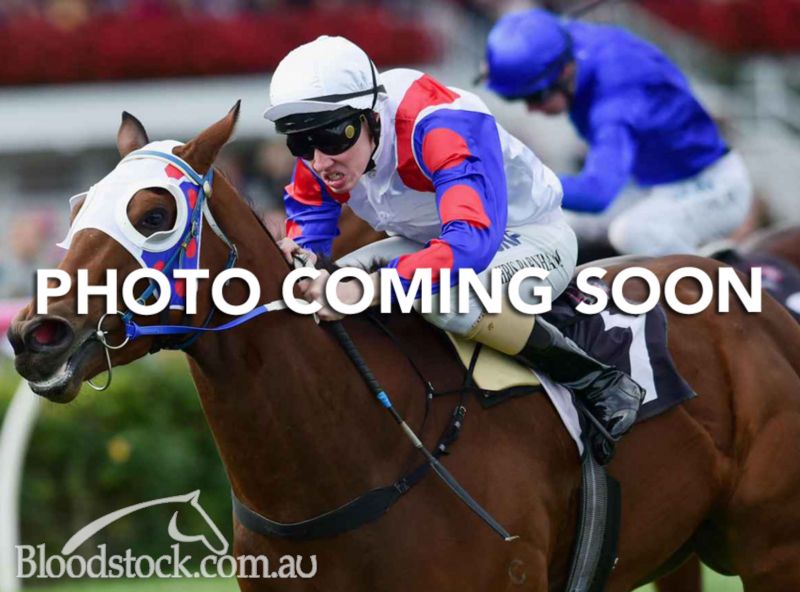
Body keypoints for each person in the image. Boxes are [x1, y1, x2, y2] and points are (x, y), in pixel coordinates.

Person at [263, 35, 645, 462]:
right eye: (300, 143)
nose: (318, 161)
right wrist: (304, 255)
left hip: (529, 237)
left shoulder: (441, 126)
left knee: (443, 297)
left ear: (372, 116)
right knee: (332, 282)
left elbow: (470, 243)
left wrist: (372, 288)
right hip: (436, 241)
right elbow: (310, 215)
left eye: (333, 138)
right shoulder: (326, 148)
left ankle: (598, 380)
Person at [482, 9, 753, 256]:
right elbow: (536, 28)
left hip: (710, 187)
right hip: (647, 185)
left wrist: (514, 186)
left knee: (633, 233)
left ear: (565, 71)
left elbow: (596, 194)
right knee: (548, 228)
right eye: (514, 98)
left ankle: (719, 285)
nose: (530, 109)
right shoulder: (563, 40)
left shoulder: (615, 102)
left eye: (535, 96)